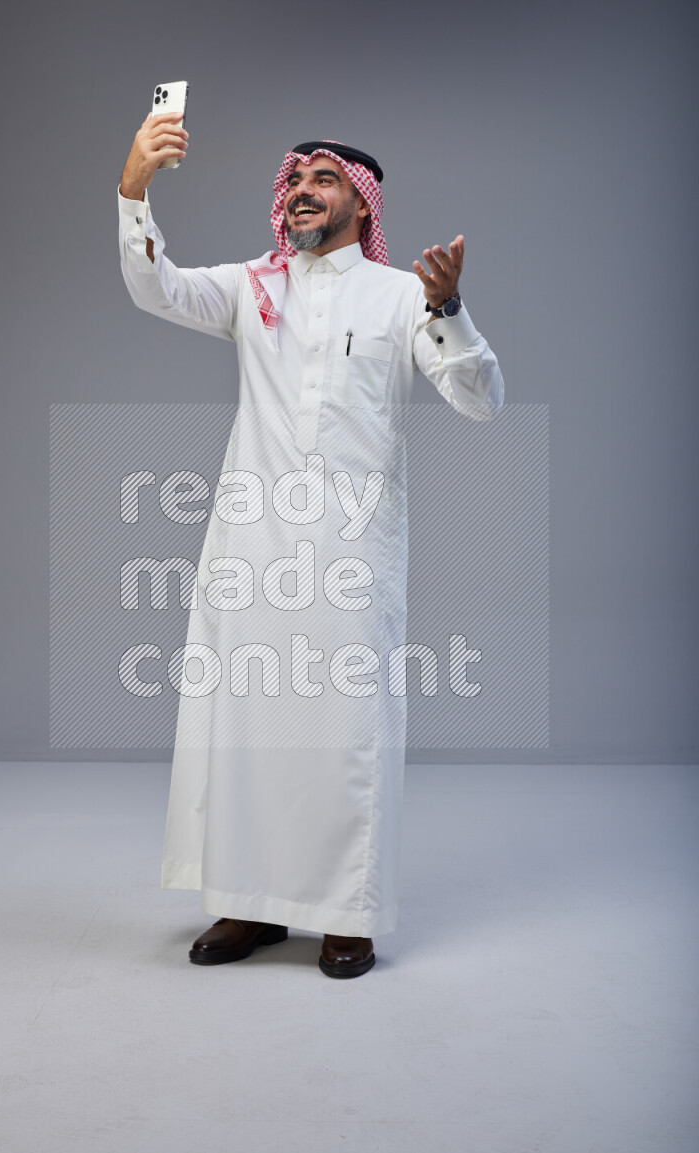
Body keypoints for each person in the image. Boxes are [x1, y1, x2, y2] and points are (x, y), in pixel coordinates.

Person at [118, 111, 504, 979]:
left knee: (344, 729)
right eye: (295, 179)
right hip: (251, 547)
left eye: (324, 179)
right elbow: (159, 288)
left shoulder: (402, 295)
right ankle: (250, 906)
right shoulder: (253, 285)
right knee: (248, 726)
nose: (302, 191)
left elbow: (481, 398)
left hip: (352, 553)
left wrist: (446, 305)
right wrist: (132, 189)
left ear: (362, 205)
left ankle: (346, 914)